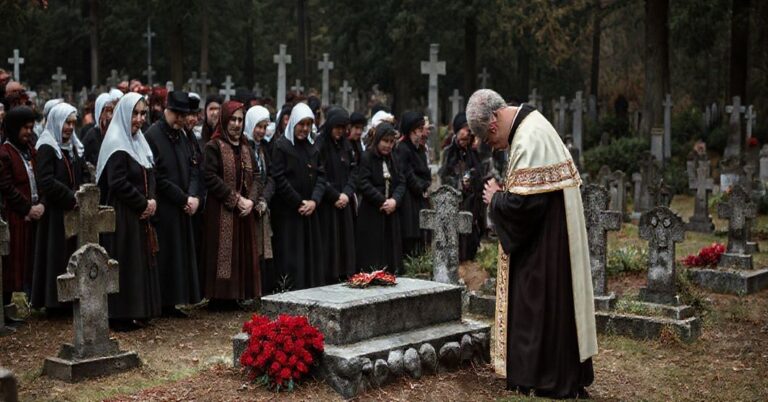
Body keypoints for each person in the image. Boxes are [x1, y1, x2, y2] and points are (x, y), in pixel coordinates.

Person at [466, 89, 596, 398]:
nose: (492, 146)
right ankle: (549, 373)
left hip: (546, 243)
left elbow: (525, 207)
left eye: (488, 139)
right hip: (551, 235)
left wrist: (495, 198)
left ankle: (545, 375)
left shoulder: (528, 137)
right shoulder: (532, 126)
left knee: (537, 301)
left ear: (493, 121)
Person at [95, 92, 161, 329]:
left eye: (143, 113)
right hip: (123, 215)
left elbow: (151, 172)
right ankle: (121, 314)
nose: (140, 119)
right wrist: (142, 203)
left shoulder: (139, 142)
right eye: (135, 113)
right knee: (125, 261)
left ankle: (141, 309)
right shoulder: (116, 143)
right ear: (125, 113)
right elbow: (117, 182)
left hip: (141, 214)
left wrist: (152, 200)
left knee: (140, 261)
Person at [144, 91, 203, 316]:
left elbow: (195, 165)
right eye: (178, 115)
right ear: (169, 111)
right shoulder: (153, 135)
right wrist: (182, 197)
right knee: (168, 254)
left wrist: (195, 196)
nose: (181, 120)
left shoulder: (183, 135)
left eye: (184, 115)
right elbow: (157, 176)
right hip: (168, 206)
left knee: (181, 254)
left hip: (186, 204)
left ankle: (177, 300)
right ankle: (165, 301)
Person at [31, 102, 89, 313]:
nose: (70, 127)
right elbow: (45, 180)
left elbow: (81, 172)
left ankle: (70, 298)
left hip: (72, 208)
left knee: (69, 254)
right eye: (66, 123)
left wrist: (82, 191)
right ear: (56, 122)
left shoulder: (72, 146)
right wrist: (70, 196)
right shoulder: (47, 146)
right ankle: (54, 302)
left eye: (73, 123)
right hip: (55, 212)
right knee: (55, 255)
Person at [202, 101, 261, 305]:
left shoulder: (246, 146)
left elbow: (257, 176)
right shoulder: (214, 146)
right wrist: (235, 200)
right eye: (233, 120)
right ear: (224, 121)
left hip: (244, 210)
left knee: (241, 250)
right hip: (221, 210)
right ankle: (220, 297)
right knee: (222, 253)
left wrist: (251, 201)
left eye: (240, 120)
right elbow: (209, 177)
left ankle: (239, 293)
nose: (236, 124)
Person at [270, 103, 326, 291]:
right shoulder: (282, 146)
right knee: (291, 253)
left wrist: (314, 201)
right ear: (293, 123)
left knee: (309, 253)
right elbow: (279, 177)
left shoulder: (313, 147)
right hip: (289, 212)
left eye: (308, 124)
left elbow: (321, 176)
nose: (304, 129)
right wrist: (299, 202)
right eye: (301, 124)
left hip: (310, 210)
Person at [0, 106, 43, 310]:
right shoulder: (5, 153)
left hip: (32, 213)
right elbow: (6, 186)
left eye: (31, 127)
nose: (28, 132)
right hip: (15, 215)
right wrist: (27, 208)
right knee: (11, 264)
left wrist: (40, 203)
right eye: (25, 128)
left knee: (29, 260)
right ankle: (5, 306)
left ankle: (31, 298)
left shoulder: (29, 149)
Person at [355, 123, 405, 273]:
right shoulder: (366, 157)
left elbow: (401, 182)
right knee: (372, 248)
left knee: (390, 246)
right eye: (385, 141)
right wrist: (382, 201)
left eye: (391, 142)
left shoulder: (393, 159)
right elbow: (363, 182)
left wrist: (394, 201)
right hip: (372, 211)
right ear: (377, 140)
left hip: (390, 210)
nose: (388, 146)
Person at [316, 107, 356, 284]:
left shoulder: (346, 145)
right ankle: (329, 275)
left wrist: (347, 194)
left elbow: (354, 172)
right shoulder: (320, 144)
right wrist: (334, 196)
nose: (340, 131)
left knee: (344, 239)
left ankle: (344, 272)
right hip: (328, 202)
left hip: (344, 200)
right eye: (337, 127)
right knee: (330, 239)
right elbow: (319, 175)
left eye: (343, 127)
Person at [439, 112, 482, 261]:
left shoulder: (472, 153)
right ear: (457, 131)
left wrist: (472, 180)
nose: (467, 133)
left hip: (471, 203)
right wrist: (458, 183)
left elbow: (479, 174)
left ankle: (468, 265)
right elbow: (444, 176)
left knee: (470, 237)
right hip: (455, 203)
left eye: (469, 130)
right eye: (464, 129)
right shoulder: (448, 152)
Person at [243, 105, 276, 294]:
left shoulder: (263, 149)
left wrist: (264, 198)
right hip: (247, 206)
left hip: (261, 206)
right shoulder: (244, 148)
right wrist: (253, 200)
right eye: (258, 126)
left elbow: (270, 176)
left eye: (264, 127)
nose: (261, 131)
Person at [395, 111, 431, 258]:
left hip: (420, 197)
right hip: (409, 200)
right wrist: (420, 187)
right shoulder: (403, 148)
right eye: (419, 129)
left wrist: (425, 184)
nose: (421, 133)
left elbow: (426, 174)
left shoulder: (420, 149)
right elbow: (407, 174)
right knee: (411, 235)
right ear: (412, 130)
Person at [82, 92, 118, 167]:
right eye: (107, 111)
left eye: (112, 111)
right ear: (99, 112)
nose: (110, 116)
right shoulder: (92, 135)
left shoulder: (118, 134)